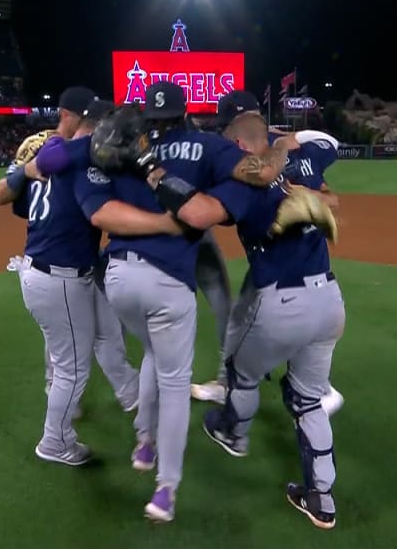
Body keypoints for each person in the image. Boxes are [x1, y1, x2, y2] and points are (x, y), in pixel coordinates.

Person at [77, 83, 330, 522]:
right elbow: (257, 176)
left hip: (117, 277)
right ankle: (165, 489)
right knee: (176, 379)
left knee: (154, 353)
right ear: (183, 114)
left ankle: (144, 442)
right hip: (170, 282)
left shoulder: (116, 148)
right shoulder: (208, 146)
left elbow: (93, 206)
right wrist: (282, 150)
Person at [200, 112, 345, 530]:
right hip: (328, 300)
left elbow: (205, 214)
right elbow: (327, 142)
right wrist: (291, 142)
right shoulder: (305, 164)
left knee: (240, 372)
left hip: (278, 301)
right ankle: (322, 499)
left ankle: (233, 433)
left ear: (242, 147)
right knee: (308, 400)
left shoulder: (244, 182)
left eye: (231, 145)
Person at [0, 86, 140, 466]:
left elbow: (17, 203)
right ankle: (54, 442)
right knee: (72, 368)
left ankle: (134, 394)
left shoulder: (53, 156)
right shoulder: (81, 159)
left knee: (104, 333)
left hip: (56, 269)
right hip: (58, 277)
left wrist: (27, 171)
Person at [190, 92, 345, 417]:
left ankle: (317, 391)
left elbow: (328, 199)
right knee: (241, 318)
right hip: (273, 263)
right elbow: (331, 198)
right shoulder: (287, 148)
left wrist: (302, 193)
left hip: (286, 266)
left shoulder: (248, 157)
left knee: (288, 325)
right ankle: (227, 383)